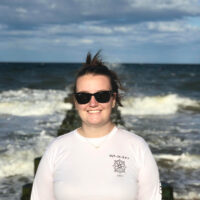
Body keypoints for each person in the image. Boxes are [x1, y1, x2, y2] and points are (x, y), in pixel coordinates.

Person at [31, 51, 162, 200]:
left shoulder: (137, 146)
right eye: (83, 97)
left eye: (102, 96)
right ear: (75, 102)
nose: (93, 103)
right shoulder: (56, 148)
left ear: (113, 99)